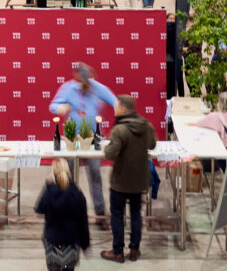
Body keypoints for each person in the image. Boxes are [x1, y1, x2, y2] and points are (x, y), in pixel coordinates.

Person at [49, 63, 117, 218]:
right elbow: (53, 105)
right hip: (73, 141)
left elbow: (114, 100)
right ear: (77, 78)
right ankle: (67, 210)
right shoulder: (68, 88)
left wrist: (120, 111)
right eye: (81, 85)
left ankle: (100, 213)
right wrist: (60, 108)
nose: (84, 88)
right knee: (69, 176)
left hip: (92, 140)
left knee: (95, 176)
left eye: (86, 84)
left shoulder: (96, 87)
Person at [100, 94, 155, 264]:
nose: (114, 109)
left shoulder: (119, 129)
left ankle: (118, 252)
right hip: (138, 181)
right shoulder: (146, 125)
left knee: (117, 215)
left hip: (120, 182)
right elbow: (152, 145)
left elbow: (110, 154)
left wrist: (108, 145)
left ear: (123, 108)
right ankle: (134, 250)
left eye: (116, 106)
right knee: (136, 215)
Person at [35, 159, 90, 271]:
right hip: (72, 244)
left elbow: (39, 209)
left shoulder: (49, 191)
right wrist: (85, 244)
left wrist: (47, 185)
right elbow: (83, 223)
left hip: (52, 243)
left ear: (54, 173)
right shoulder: (78, 194)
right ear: (69, 172)